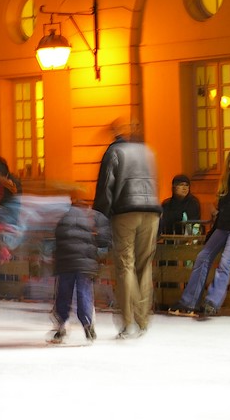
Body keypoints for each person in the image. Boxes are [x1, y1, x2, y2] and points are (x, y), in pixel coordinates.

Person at [169, 148, 230, 317]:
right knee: (202, 257)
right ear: (229, 164)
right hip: (223, 228)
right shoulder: (226, 184)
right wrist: (211, 233)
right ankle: (189, 301)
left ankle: (212, 301)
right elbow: (222, 212)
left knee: (225, 262)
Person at [93, 116, 161, 339]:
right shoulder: (147, 152)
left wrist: (102, 214)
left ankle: (128, 320)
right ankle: (143, 320)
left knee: (125, 266)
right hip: (151, 211)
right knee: (144, 266)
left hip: (125, 212)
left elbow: (106, 186)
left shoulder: (114, 151)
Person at [48, 190, 112, 344]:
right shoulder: (94, 216)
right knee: (84, 293)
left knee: (64, 293)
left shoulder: (63, 217)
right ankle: (87, 323)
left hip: (65, 263)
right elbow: (105, 238)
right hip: (85, 263)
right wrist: (99, 252)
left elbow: (56, 239)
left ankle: (61, 325)